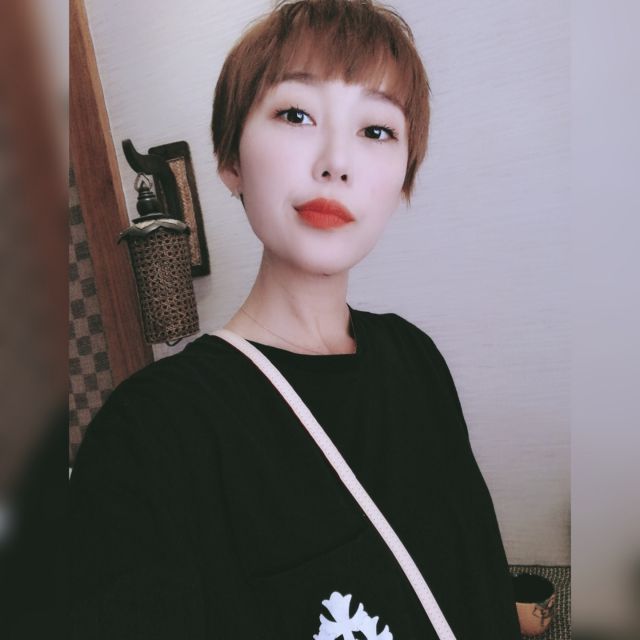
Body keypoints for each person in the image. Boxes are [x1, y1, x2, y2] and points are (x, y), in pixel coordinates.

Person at [70, 1, 521, 638]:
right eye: (296, 114)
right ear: (231, 160)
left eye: (376, 130)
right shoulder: (150, 435)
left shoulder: (416, 358)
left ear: (403, 178)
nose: (336, 162)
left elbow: (478, 578)